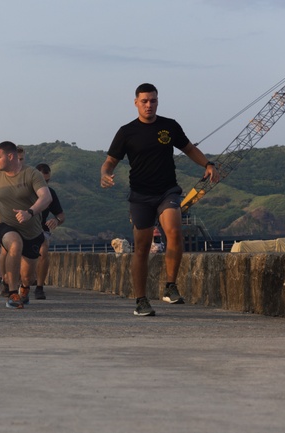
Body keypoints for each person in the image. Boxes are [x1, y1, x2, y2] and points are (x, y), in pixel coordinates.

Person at [101, 82, 219, 316]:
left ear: (157, 101)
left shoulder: (169, 126)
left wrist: (207, 164)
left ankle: (170, 286)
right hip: (140, 195)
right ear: (136, 103)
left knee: (174, 230)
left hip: (168, 190)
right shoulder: (127, 132)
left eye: (153, 100)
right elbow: (110, 161)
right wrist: (104, 173)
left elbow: (188, 148)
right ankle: (141, 300)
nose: (149, 105)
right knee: (142, 248)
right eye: (144, 101)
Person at [0, 141, 52, 309]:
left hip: (32, 229)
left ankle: (24, 288)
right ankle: (12, 293)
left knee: (27, 273)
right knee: (15, 244)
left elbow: (46, 197)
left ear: (10, 156)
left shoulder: (31, 174)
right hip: (6, 225)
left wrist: (29, 212)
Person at [32, 163, 65, 300]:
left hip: (41, 229)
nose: (45, 184)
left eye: (47, 181)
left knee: (43, 250)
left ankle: (40, 287)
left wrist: (56, 220)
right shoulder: (26, 191)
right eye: (42, 181)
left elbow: (61, 215)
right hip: (23, 228)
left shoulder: (50, 193)